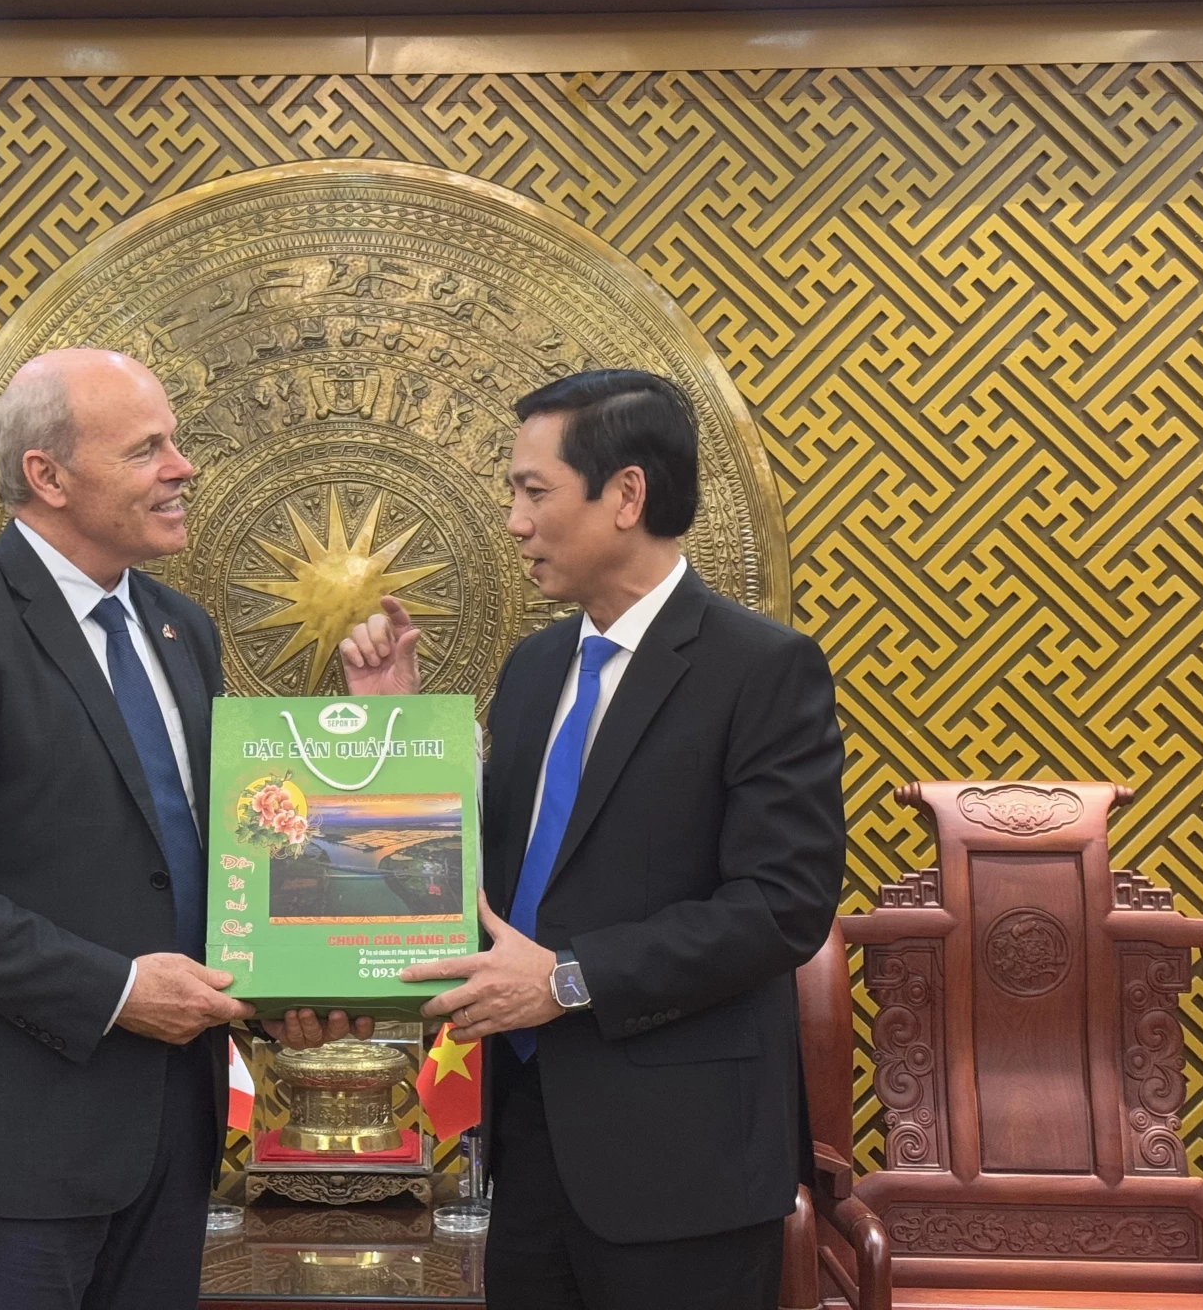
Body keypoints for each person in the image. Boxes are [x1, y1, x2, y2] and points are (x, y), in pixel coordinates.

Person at [0, 348, 363, 1310]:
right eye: (147, 450)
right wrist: (118, 990)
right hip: (19, 1139)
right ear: (48, 476)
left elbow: (216, 853)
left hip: (174, 1125)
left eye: (175, 442)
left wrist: (293, 980)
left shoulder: (181, 628)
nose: (183, 467)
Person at [341, 369, 847, 1310]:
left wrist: (570, 980)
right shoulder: (536, 668)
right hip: (529, 1142)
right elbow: (488, 873)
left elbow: (782, 906)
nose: (514, 522)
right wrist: (396, 732)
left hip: (684, 1160)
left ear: (626, 495)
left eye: (534, 492)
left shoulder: (761, 668)